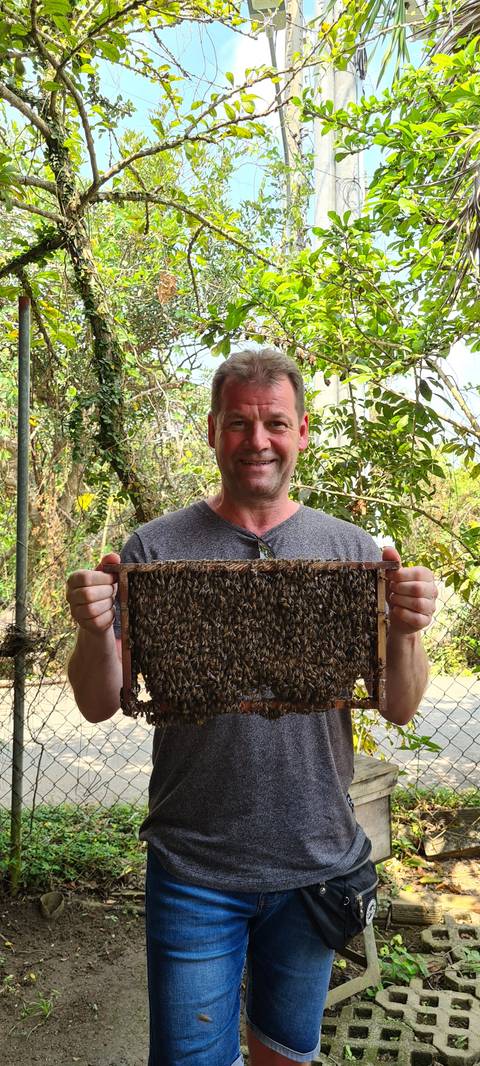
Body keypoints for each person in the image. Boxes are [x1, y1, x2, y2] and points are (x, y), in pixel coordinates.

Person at [66, 348, 437, 1066]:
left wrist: (406, 629)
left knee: (286, 1054)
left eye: (275, 424)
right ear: (213, 431)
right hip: (194, 867)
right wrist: (92, 626)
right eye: (239, 423)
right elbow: (97, 703)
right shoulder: (153, 547)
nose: (257, 440)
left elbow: (399, 704)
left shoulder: (349, 548)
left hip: (313, 860)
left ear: (302, 433)